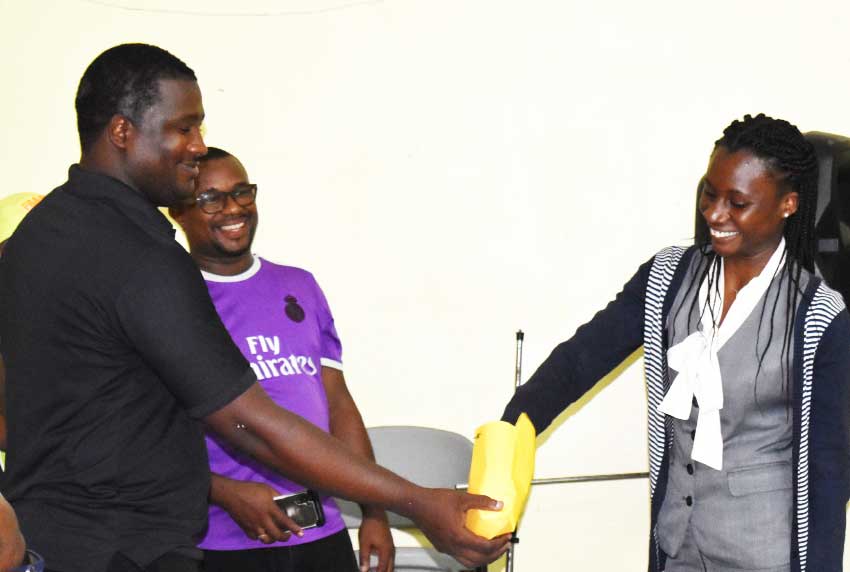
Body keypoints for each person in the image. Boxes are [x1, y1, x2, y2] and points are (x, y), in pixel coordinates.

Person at [0, 43, 509, 572]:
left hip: (44, 542)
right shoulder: (142, 257)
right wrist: (419, 502)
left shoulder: (33, 239)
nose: (198, 147)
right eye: (184, 127)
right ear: (123, 132)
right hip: (127, 550)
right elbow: (250, 423)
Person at [500, 114, 850, 572]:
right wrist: (511, 432)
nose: (714, 214)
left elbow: (828, 474)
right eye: (710, 192)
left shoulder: (819, 316)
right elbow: (580, 360)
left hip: (765, 555)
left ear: (787, 204)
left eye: (737, 202)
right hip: (677, 546)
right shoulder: (667, 278)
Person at [168, 147, 394, 572]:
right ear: (179, 211)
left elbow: (338, 405)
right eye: (211, 198)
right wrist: (223, 492)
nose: (232, 208)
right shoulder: (171, 300)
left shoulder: (300, 286)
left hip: (320, 533)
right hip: (222, 541)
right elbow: (149, 437)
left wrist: (374, 512)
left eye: (241, 192)